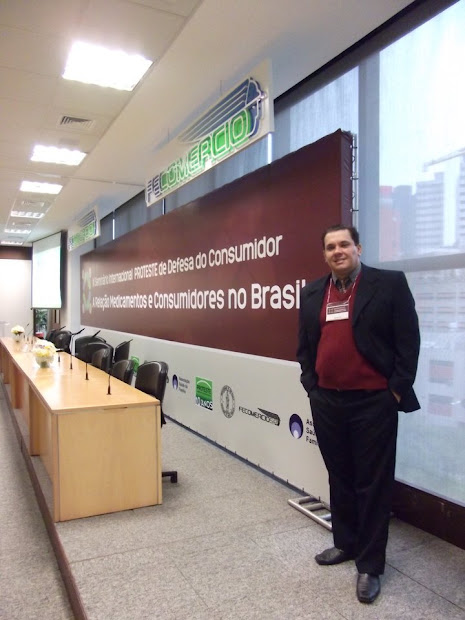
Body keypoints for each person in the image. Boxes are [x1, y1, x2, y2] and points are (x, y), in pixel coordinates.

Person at [296, 224, 420, 604]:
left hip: (373, 402)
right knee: (341, 476)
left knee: (373, 483)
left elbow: (409, 340)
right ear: (325, 254)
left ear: (358, 247)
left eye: (344, 244)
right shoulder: (314, 291)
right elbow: (305, 346)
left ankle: (370, 565)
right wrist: (311, 385)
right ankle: (346, 544)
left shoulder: (389, 284)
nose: (338, 251)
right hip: (328, 400)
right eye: (330, 246)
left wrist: (394, 390)